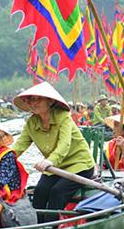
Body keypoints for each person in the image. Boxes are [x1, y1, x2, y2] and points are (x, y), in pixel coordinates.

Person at [11, 82, 96, 221]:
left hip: (79, 165)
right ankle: (35, 227)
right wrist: (1, 159)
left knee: (58, 192)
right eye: (31, 99)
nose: (34, 103)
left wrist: (49, 161)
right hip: (54, 168)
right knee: (40, 191)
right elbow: (19, 146)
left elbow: (64, 145)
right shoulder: (31, 123)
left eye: (38, 99)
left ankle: (50, 228)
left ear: (50, 101)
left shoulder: (63, 117)